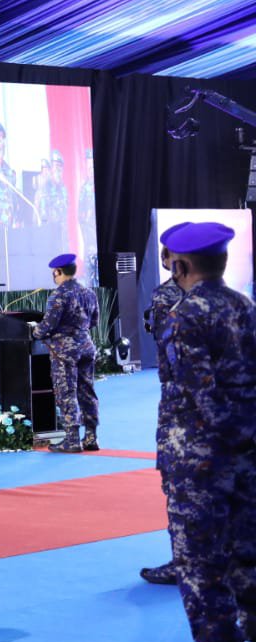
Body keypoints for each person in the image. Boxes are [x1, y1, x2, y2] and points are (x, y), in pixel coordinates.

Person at [155, 222, 256, 642]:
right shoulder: (245, 307)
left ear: (180, 264)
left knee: (200, 569)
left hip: (201, 462)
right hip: (248, 457)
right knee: (247, 561)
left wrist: (220, 442)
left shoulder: (185, 315)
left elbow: (200, 394)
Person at [140, 223, 189, 587]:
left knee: (180, 487)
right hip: (235, 416)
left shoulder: (165, 298)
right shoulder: (237, 303)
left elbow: (169, 352)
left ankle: (184, 561)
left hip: (183, 410)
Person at [33, 253, 99, 452]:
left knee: (66, 392)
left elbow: (48, 325)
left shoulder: (59, 295)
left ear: (58, 272)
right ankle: (91, 437)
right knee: (87, 391)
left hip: (65, 351)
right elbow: (94, 322)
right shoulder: (89, 293)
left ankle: (72, 439)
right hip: (86, 347)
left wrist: (35, 331)